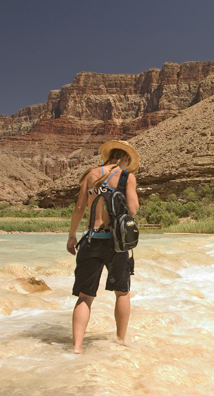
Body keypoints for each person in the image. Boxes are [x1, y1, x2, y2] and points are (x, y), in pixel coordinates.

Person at [66, 140, 140, 354]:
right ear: (125, 158)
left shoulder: (90, 175)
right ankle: (120, 341)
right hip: (116, 243)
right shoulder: (127, 177)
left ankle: (77, 347)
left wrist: (72, 236)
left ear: (109, 156)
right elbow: (133, 210)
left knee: (85, 296)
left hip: (91, 239)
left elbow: (79, 208)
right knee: (122, 293)